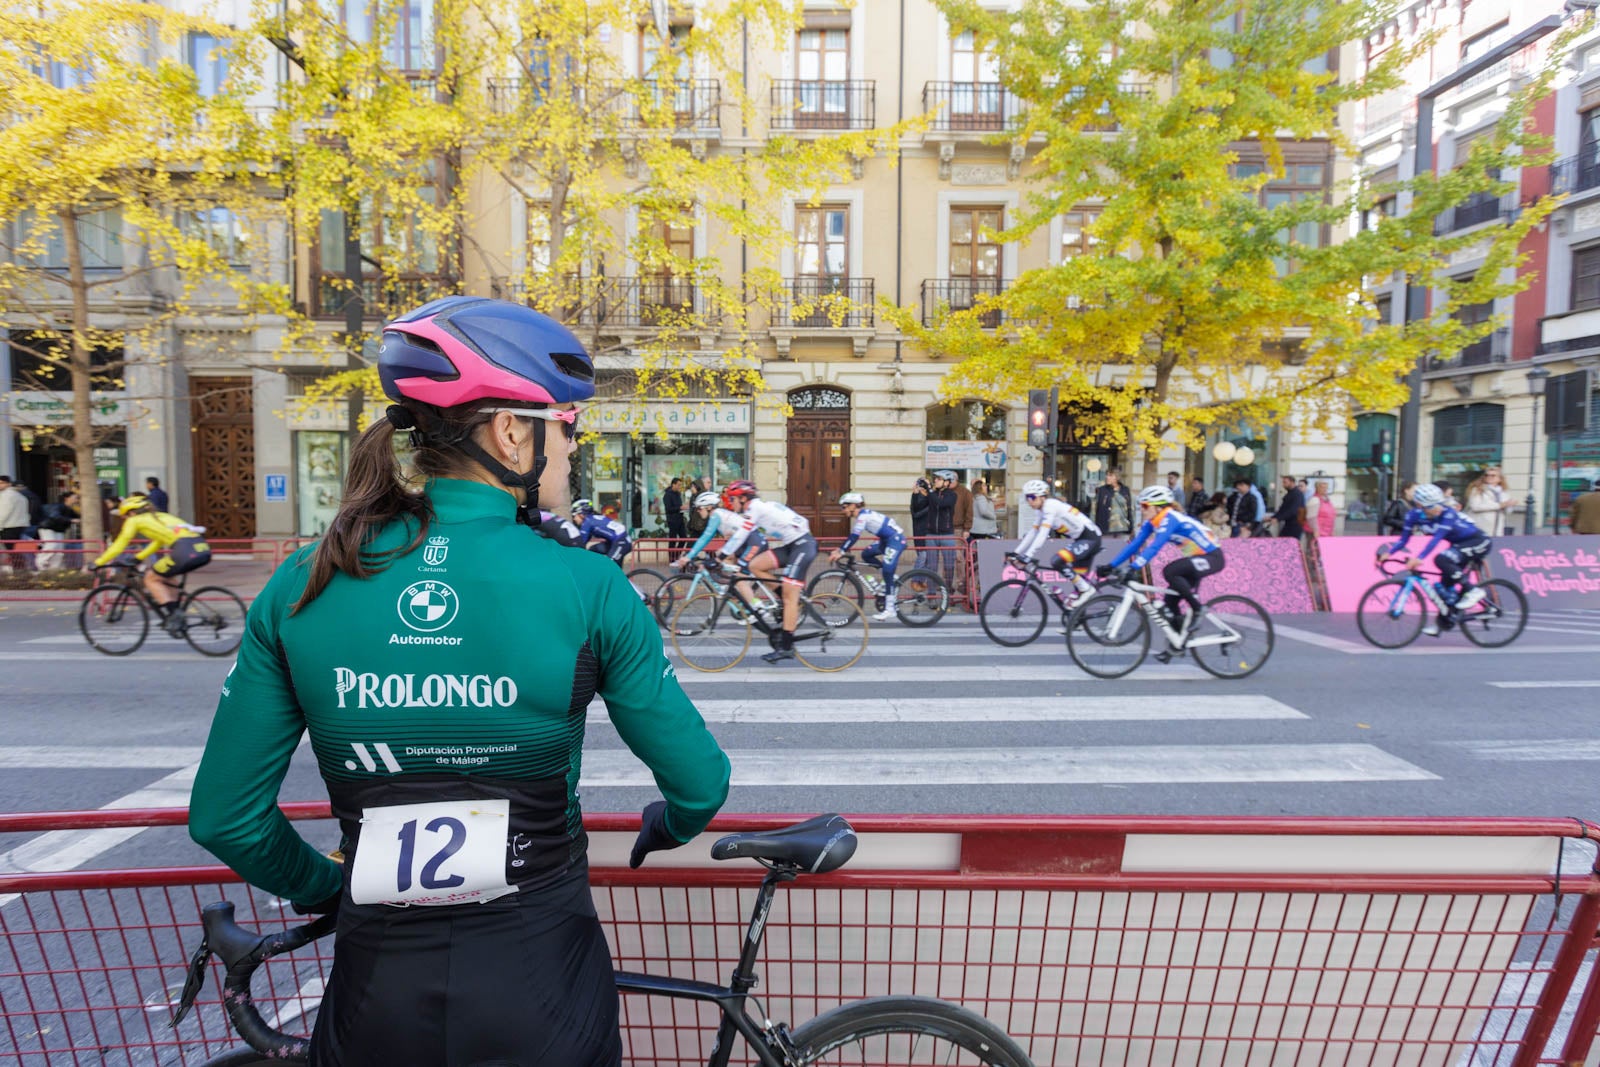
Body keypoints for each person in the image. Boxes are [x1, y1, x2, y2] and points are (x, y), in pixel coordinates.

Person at [186, 296, 730, 1067]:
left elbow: (225, 818)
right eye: (568, 426)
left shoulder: (303, 581)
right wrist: (665, 828)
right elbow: (700, 784)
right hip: (545, 991)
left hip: (375, 998)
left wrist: (326, 887)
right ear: (512, 430)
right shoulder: (589, 585)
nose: (574, 449)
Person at [1099, 485, 1225, 634]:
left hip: (1212, 557)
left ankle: (1198, 609)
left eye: (1145, 506)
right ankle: (1178, 644)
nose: (1142, 509)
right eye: (1141, 506)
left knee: (1170, 571)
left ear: (1159, 508)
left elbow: (1155, 546)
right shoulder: (1153, 522)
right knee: (1170, 604)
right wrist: (1111, 565)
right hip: (1196, 559)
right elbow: (1135, 545)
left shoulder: (1170, 518)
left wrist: (1134, 567)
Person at [717, 480, 817, 664]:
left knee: (790, 597)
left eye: (733, 499)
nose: (730, 503)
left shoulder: (755, 508)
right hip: (790, 545)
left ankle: (786, 647)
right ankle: (784, 598)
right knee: (755, 565)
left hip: (802, 545)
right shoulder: (755, 509)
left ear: (743, 498)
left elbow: (741, 535)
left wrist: (721, 555)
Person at [1377, 481, 1491, 637]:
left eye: (1439, 504)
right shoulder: (1413, 515)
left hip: (1478, 541)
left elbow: (1436, 539)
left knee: (1442, 559)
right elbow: (1404, 540)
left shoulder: (1448, 514)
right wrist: (1390, 553)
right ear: (1419, 505)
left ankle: (1473, 591)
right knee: (1444, 590)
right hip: (1458, 545)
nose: (1438, 509)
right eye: (1432, 506)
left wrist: (1419, 558)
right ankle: (1443, 624)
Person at [91, 494, 212, 634]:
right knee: (166, 578)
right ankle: (176, 612)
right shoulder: (161, 516)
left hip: (184, 550)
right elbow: (158, 541)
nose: (124, 519)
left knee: (150, 578)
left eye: (124, 515)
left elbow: (120, 544)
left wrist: (98, 562)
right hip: (201, 548)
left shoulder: (134, 520)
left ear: (131, 512)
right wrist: (139, 557)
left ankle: (175, 615)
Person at [1011, 479, 1101, 602]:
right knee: (1076, 600)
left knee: (1057, 560)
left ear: (1042, 497)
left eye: (1032, 497)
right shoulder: (1040, 510)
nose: (1029, 501)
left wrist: (1028, 555)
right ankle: (1079, 609)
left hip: (1091, 539)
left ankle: (1086, 589)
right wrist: (1016, 552)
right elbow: (1033, 532)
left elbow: (1043, 534)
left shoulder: (1050, 506)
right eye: (1027, 498)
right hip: (1081, 539)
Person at [831, 492, 907, 622]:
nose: (843, 510)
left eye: (844, 507)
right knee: (866, 554)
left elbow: (854, 536)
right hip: (885, 540)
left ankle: (890, 609)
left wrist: (841, 551)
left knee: (888, 570)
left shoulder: (863, 516)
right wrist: (841, 549)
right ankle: (888, 578)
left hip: (895, 540)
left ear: (853, 506)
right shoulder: (863, 515)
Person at [572, 498, 634, 564]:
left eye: (574, 515)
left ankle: (610, 572)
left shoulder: (587, 523)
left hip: (622, 542)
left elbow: (580, 543)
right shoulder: (592, 519)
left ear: (581, 515)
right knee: (592, 550)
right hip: (615, 542)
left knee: (610, 565)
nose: (574, 519)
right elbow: (584, 543)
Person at [926, 472, 957, 588]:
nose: (935, 481)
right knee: (931, 566)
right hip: (931, 534)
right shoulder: (931, 494)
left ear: (947, 482)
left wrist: (929, 491)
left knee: (949, 565)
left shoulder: (952, 495)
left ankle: (947, 591)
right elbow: (917, 506)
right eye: (935, 479)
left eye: (939, 479)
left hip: (947, 534)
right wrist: (916, 494)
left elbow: (942, 504)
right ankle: (931, 595)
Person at [1464, 467, 1514, 537]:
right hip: (1480, 527)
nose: (1489, 477)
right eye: (1486, 475)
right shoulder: (1477, 489)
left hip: (1497, 529)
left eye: (1493, 475)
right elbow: (1475, 506)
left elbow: (1507, 511)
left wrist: (1509, 505)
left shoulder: (1503, 492)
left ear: (1500, 479)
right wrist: (1499, 505)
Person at [37, 491, 80, 570]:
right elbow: (55, 516)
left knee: (59, 550)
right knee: (51, 545)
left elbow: (78, 517)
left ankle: (54, 568)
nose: (77, 500)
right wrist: (71, 520)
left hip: (59, 530)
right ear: (67, 498)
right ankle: (41, 562)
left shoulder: (70, 510)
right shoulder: (58, 506)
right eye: (75, 498)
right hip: (48, 528)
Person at [0, 475, 29, 573]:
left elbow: (4, 512)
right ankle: (20, 569)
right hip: (18, 525)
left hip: (8, 526)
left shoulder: (6, 495)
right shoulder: (19, 495)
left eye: (1, 483)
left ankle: (19, 570)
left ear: (8, 484)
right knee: (14, 549)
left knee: (11, 550)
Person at [1093, 468, 1133, 536]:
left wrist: (1131, 525)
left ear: (1117, 477)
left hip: (1122, 528)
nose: (1107, 477)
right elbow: (1094, 510)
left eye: (1110, 475)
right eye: (1107, 475)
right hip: (1105, 529)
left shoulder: (1125, 490)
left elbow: (1129, 508)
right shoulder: (1101, 490)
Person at [1270, 475, 1305, 539]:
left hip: (1295, 525)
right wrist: (1273, 517)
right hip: (1290, 524)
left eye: (1285, 482)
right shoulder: (1290, 494)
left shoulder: (1297, 494)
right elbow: (1283, 509)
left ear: (1292, 482)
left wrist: (1277, 518)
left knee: (1286, 542)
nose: (1283, 485)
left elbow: (1292, 510)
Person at [909, 478, 931, 552]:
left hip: (930, 530)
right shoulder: (916, 496)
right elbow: (915, 513)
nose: (928, 486)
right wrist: (916, 494)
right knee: (922, 554)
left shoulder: (932, 496)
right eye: (925, 484)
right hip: (919, 529)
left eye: (929, 484)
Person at [662, 477, 686, 542]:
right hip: (672, 520)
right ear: (673, 484)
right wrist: (680, 508)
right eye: (678, 485)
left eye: (680, 485)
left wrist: (684, 508)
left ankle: (677, 552)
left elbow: (679, 506)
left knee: (684, 538)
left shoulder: (678, 494)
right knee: (673, 540)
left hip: (680, 519)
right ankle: (671, 552)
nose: (680, 487)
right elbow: (668, 508)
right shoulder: (667, 495)